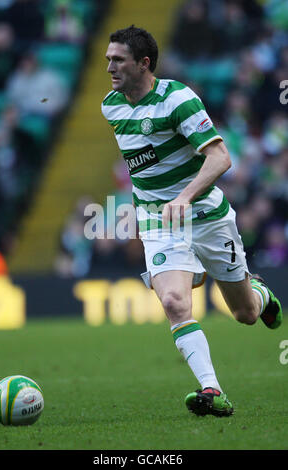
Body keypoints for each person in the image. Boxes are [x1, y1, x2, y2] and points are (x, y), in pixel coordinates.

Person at [101, 25, 283, 417]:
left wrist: (184, 196)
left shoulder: (179, 99)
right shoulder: (110, 106)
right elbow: (145, 164)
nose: (110, 67)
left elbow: (220, 157)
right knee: (173, 301)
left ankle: (260, 294)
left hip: (206, 216)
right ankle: (212, 389)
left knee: (245, 314)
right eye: (107, 60)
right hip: (158, 221)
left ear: (143, 63)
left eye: (118, 60)